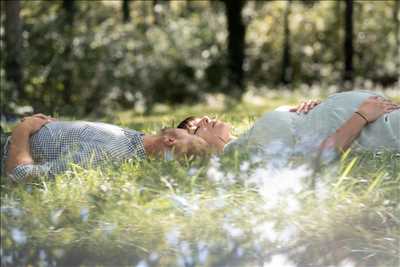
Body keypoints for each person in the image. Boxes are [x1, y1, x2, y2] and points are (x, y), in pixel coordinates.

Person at [176, 91, 400, 160]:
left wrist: (315, 109)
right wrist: (360, 115)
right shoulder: (242, 156)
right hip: (377, 129)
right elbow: (317, 159)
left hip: (380, 118)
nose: (205, 119)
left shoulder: (248, 139)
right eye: (197, 128)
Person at [0, 115, 209, 182]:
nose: (187, 130)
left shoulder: (107, 154)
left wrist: (24, 129)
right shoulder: (136, 141)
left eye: (188, 135)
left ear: (170, 141)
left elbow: (19, 175)